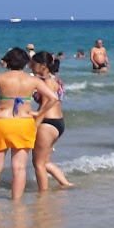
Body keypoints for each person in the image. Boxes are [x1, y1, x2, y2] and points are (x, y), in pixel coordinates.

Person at [0, 47, 57, 200]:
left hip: (1, 122)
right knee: (19, 168)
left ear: (7, 62)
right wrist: (39, 113)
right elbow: (53, 98)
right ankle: (16, 203)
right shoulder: (33, 80)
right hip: (24, 124)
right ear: (26, 63)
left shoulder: (0, 78)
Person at [30, 51, 74, 191]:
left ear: (43, 65)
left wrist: (35, 125)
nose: (30, 66)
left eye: (33, 63)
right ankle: (65, 184)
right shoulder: (56, 79)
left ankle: (43, 193)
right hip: (58, 122)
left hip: (47, 122)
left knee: (38, 163)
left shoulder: (48, 83)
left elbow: (45, 104)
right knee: (45, 161)